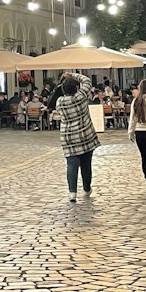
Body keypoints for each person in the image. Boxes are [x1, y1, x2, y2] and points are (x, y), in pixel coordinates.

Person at [55, 74, 100, 203]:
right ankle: (86, 188)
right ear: (76, 88)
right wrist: (72, 75)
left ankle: (72, 193)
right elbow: (87, 81)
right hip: (85, 135)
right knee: (86, 164)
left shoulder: (60, 102)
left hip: (68, 137)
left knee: (71, 164)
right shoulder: (81, 97)